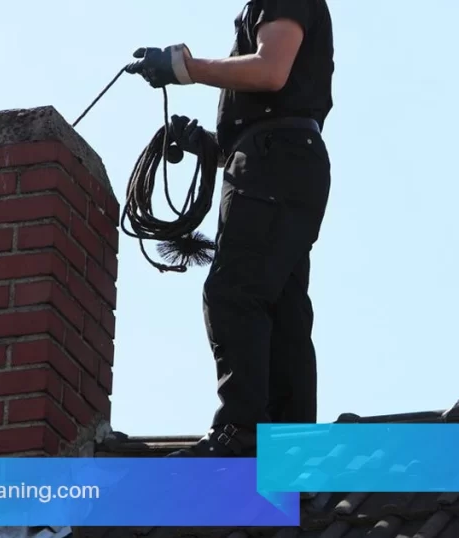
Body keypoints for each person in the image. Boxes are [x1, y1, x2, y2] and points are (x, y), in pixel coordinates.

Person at [125, 0, 334, 457]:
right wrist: (209, 145)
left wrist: (186, 67)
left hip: (274, 159)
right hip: (284, 157)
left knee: (234, 292)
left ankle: (244, 432)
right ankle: (289, 443)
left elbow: (271, 70)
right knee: (281, 305)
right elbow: (277, 101)